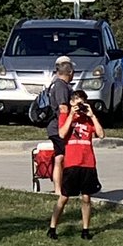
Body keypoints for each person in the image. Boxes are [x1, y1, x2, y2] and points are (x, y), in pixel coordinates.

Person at [47, 91, 103, 241]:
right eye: (76, 102)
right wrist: (71, 115)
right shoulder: (65, 117)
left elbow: (101, 134)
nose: (79, 106)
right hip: (72, 163)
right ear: (71, 103)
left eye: (82, 103)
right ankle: (52, 227)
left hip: (88, 163)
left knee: (86, 197)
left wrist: (92, 115)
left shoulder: (88, 120)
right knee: (64, 197)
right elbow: (62, 134)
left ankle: (85, 229)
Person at [46, 56, 75, 195]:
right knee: (62, 157)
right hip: (58, 127)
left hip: (57, 127)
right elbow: (63, 108)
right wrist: (69, 124)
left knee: (60, 156)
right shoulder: (61, 86)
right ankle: (60, 189)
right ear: (69, 72)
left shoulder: (57, 84)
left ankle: (61, 188)